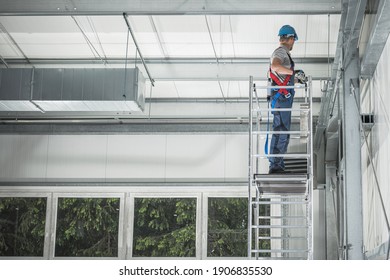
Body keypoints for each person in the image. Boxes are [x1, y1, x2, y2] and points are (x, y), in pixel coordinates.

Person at [267, 25, 306, 174]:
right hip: (281, 98)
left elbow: (282, 77)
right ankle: (275, 166)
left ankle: (278, 165)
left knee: (282, 131)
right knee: (281, 131)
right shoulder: (281, 52)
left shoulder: (283, 53)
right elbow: (275, 67)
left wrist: (295, 79)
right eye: (293, 40)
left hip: (283, 97)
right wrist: (292, 72)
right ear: (290, 38)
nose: (293, 43)